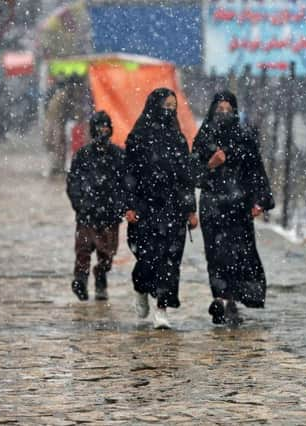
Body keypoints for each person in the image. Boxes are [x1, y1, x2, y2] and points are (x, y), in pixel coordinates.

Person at [193, 91, 274, 325]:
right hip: (212, 204)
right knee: (215, 252)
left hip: (239, 205)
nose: (224, 115)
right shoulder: (204, 137)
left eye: (229, 111)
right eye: (220, 110)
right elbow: (192, 173)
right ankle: (219, 295)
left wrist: (260, 200)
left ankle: (232, 297)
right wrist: (210, 165)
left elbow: (255, 170)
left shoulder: (244, 137)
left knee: (238, 252)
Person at [125, 88, 198, 329]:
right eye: (165, 105)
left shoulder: (177, 138)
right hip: (146, 208)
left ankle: (162, 308)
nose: (169, 110)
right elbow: (129, 174)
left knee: (170, 260)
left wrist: (190, 209)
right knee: (147, 258)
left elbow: (186, 176)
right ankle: (141, 288)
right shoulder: (139, 136)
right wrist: (130, 205)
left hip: (173, 209)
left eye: (172, 106)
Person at [66, 111, 125, 301]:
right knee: (83, 250)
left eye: (106, 126)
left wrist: (120, 205)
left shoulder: (118, 155)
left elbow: (126, 183)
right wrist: (80, 204)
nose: (103, 130)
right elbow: (73, 182)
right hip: (87, 213)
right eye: (100, 126)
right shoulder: (82, 155)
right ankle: (80, 280)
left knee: (107, 253)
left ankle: (101, 277)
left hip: (110, 214)